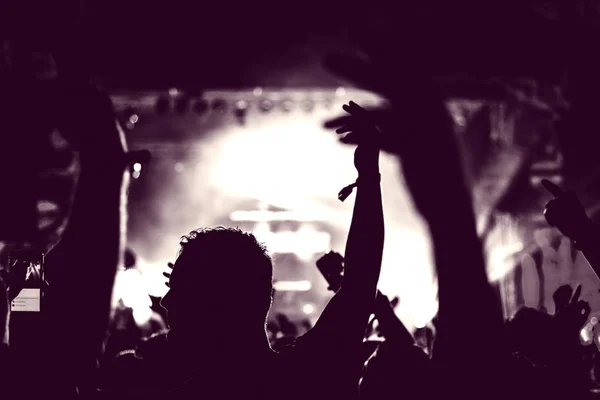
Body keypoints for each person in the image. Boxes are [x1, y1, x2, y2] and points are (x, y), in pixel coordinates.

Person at [105, 101, 385, 400]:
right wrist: (368, 176)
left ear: (222, 302)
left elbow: (358, 283)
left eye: (182, 289)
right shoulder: (306, 373)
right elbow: (359, 285)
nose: (167, 302)